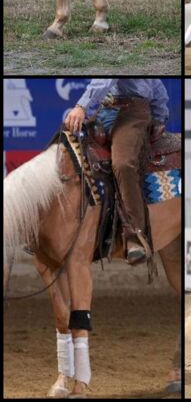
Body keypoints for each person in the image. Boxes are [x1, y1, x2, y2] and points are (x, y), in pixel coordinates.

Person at [64, 79, 169, 265]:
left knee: (123, 164)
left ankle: (136, 236)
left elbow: (107, 76)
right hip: (105, 110)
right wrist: (160, 115)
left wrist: (81, 106)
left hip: (133, 113)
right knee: (69, 151)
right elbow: (157, 87)